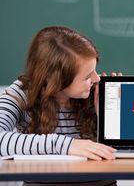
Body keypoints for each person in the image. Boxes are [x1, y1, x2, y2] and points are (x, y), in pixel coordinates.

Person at [0, 26, 119, 186]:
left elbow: (124, 152)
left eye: (95, 70)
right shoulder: (21, 93)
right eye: (86, 77)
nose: (96, 78)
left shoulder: (96, 92)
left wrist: (110, 117)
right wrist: (66, 145)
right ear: (57, 80)